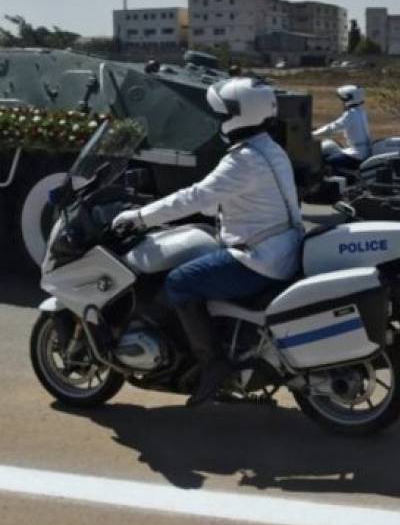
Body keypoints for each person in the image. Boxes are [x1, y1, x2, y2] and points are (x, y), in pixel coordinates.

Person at [112, 78, 303, 406]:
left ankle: (213, 365)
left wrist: (140, 217)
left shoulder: (242, 161)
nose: (217, 120)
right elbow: (238, 199)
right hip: (283, 248)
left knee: (179, 282)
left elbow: (195, 196)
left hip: (259, 260)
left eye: (221, 114)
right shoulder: (269, 149)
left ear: (238, 116)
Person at [312, 84, 372, 169]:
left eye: (343, 100)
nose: (342, 103)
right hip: (364, 151)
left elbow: (333, 128)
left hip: (356, 154)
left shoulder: (351, 114)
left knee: (326, 162)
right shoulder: (361, 112)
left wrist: (313, 134)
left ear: (348, 100)